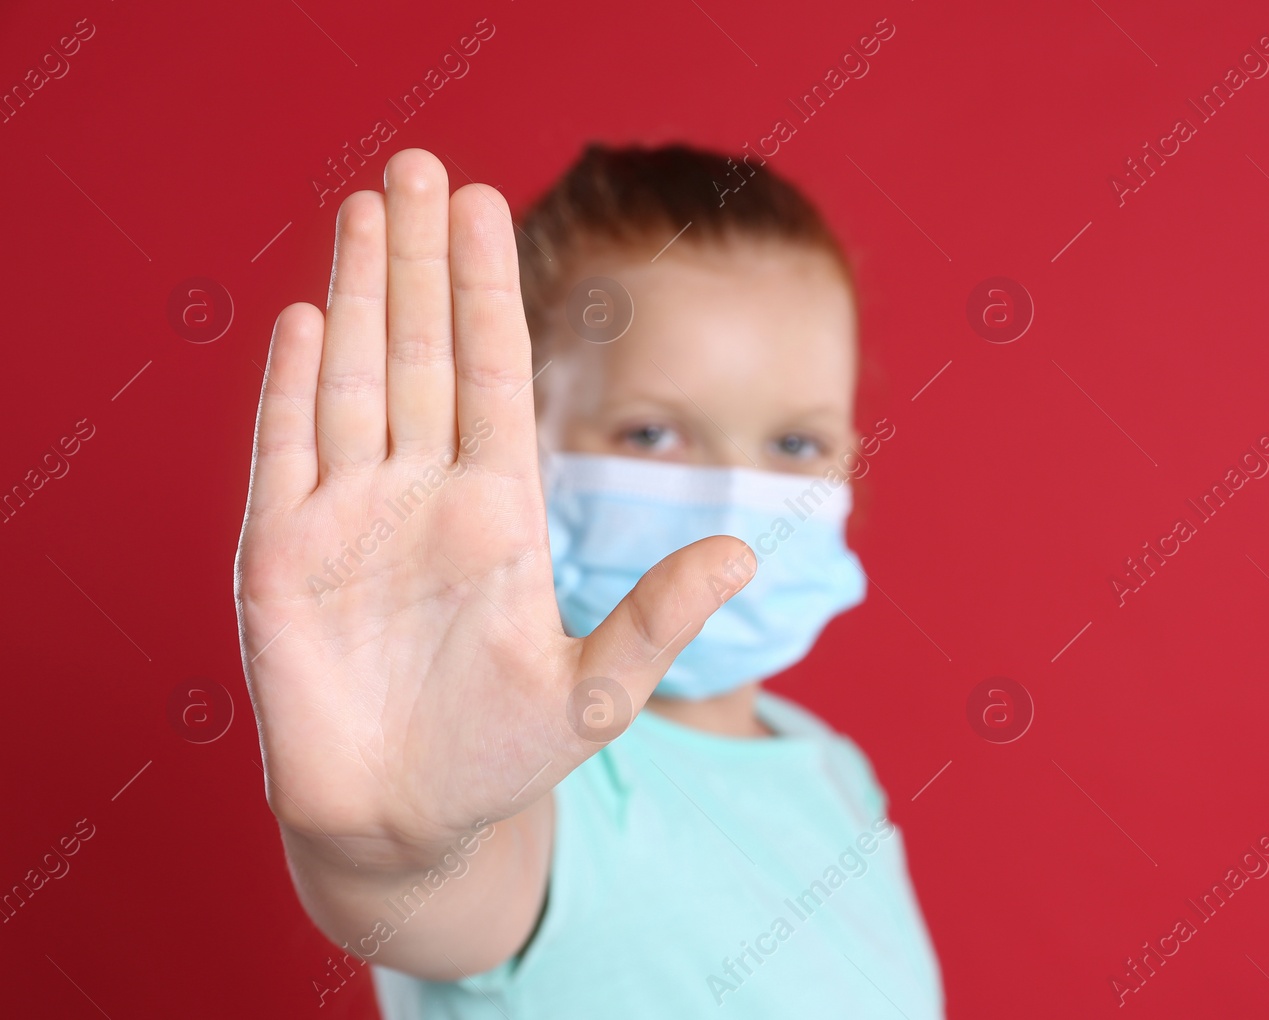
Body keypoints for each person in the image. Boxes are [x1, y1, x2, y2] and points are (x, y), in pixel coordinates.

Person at [234, 143, 942, 1018]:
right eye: (650, 434)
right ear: (514, 436)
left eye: (795, 445)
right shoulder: (523, 773)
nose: (732, 495)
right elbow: (463, 878)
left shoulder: (833, 771)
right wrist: (396, 854)